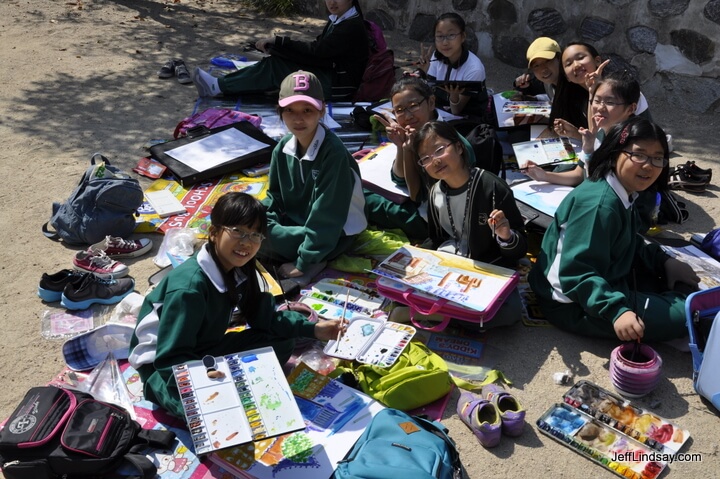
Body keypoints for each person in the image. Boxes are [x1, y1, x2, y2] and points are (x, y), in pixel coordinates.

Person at [128, 192, 346, 419]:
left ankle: (225, 385)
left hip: (202, 349)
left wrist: (314, 329)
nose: (246, 243)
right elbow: (169, 359)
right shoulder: (189, 290)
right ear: (213, 233)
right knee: (208, 413)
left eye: (255, 235)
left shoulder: (241, 268)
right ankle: (177, 393)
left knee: (280, 341)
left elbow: (266, 320)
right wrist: (209, 378)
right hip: (163, 369)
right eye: (238, 232)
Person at [528, 117, 700, 342]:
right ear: (615, 153)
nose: (648, 165)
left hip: (607, 280)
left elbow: (627, 241)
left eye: (658, 158)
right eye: (638, 155)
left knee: (671, 284)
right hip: (572, 304)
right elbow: (575, 272)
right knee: (685, 316)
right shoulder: (599, 206)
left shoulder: (621, 190)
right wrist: (617, 311)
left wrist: (664, 261)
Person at [413, 121, 526, 328]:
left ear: (458, 147)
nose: (435, 161)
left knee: (510, 312)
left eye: (439, 150)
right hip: (449, 267)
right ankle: (443, 314)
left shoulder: (492, 187)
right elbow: (438, 239)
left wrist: (505, 235)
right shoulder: (435, 192)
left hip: (487, 267)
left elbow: (519, 248)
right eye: (426, 159)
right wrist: (417, 257)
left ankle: (431, 314)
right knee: (406, 281)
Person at [260, 70, 367, 287]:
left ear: (322, 110)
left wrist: (303, 261)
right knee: (247, 227)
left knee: (255, 241)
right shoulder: (282, 147)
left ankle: (317, 258)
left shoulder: (333, 153)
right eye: (289, 110)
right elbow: (274, 196)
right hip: (300, 226)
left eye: (307, 110)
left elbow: (327, 216)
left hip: (336, 233)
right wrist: (261, 218)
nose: (298, 119)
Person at [193, 0, 368, 100]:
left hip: (338, 86)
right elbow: (319, 50)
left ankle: (217, 86)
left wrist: (281, 43)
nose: (332, 2)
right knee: (277, 62)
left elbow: (318, 52)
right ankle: (225, 85)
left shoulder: (351, 26)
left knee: (276, 67)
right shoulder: (341, 18)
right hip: (331, 72)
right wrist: (281, 48)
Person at [525, 72, 643, 186]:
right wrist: (543, 175)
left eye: (610, 102)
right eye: (596, 101)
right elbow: (579, 174)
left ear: (631, 109)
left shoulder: (632, 144)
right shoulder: (599, 132)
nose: (600, 108)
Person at [374, 76, 476, 204]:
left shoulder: (449, 142)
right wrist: (401, 146)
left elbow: (418, 195)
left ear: (431, 102)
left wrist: (408, 149)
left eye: (413, 106)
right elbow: (400, 178)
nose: (408, 116)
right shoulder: (412, 135)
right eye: (399, 110)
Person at [417, 13, 487, 118]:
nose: (445, 42)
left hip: (467, 119)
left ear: (463, 36)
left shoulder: (474, 68)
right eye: (440, 36)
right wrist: (423, 73)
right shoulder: (437, 56)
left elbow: (457, 111)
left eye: (451, 35)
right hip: (440, 112)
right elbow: (428, 93)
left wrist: (454, 97)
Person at [513, 37, 562, 101]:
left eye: (547, 61)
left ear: (560, 59)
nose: (543, 69)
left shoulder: (574, 83)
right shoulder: (547, 81)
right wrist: (521, 86)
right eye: (536, 65)